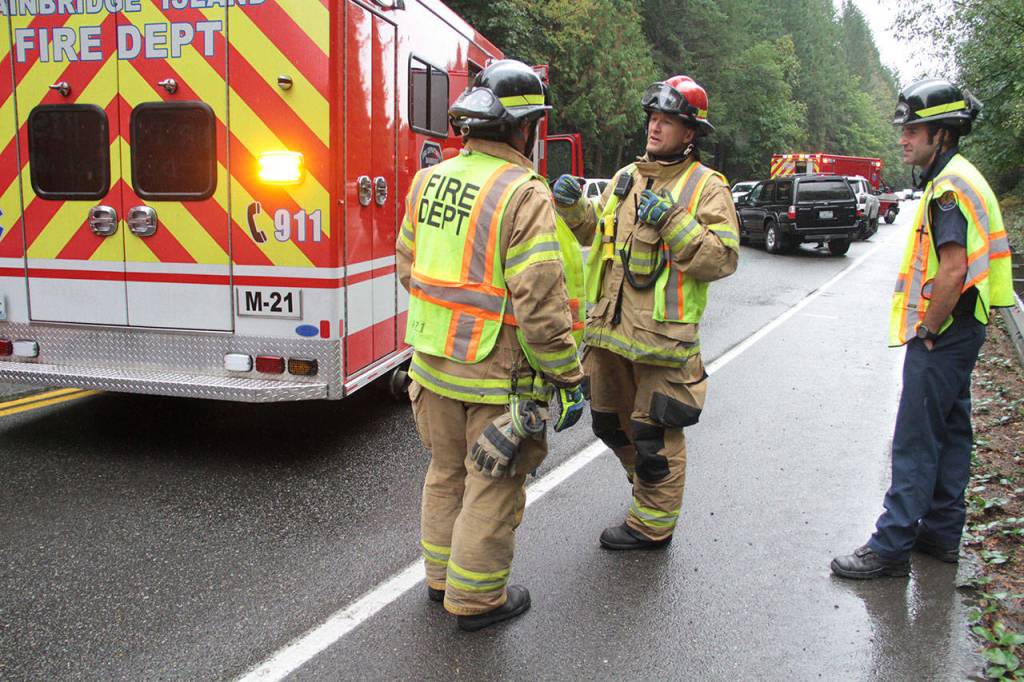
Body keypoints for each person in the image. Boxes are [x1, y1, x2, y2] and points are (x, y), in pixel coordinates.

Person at [397, 59, 586, 629]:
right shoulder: (524, 193)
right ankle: (477, 600)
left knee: (445, 473)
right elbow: (539, 304)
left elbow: (409, 265)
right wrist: (568, 378)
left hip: (430, 370)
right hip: (494, 377)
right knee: (493, 486)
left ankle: (440, 580)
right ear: (522, 128)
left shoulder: (429, 179)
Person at [831, 78, 1014, 579]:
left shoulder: (949, 189)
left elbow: (953, 269)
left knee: (915, 437)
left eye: (914, 129)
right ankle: (939, 534)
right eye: (904, 128)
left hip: (947, 330)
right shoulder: (961, 177)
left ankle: (890, 548)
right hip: (969, 326)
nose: (903, 138)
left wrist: (929, 328)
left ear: (943, 135)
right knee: (952, 430)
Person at [551, 75, 739, 550]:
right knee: (609, 423)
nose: (655, 128)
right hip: (610, 334)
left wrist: (672, 221)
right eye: (653, 118)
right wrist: (572, 208)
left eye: (667, 121)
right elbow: (595, 233)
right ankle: (650, 492)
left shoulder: (706, 187)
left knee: (654, 435)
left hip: (663, 341)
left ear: (690, 132)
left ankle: (652, 525)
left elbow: (722, 258)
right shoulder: (625, 178)